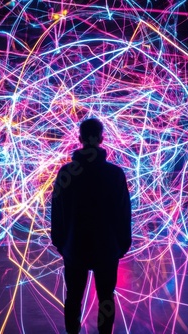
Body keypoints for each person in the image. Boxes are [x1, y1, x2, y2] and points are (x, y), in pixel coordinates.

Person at [51, 118, 132, 334]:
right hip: (106, 248)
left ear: (80, 139)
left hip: (74, 246)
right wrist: (122, 243)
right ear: (102, 138)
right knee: (106, 297)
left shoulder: (66, 173)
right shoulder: (114, 174)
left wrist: (60, 242)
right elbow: (124, 212)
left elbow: (56, 210)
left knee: (74, 297)